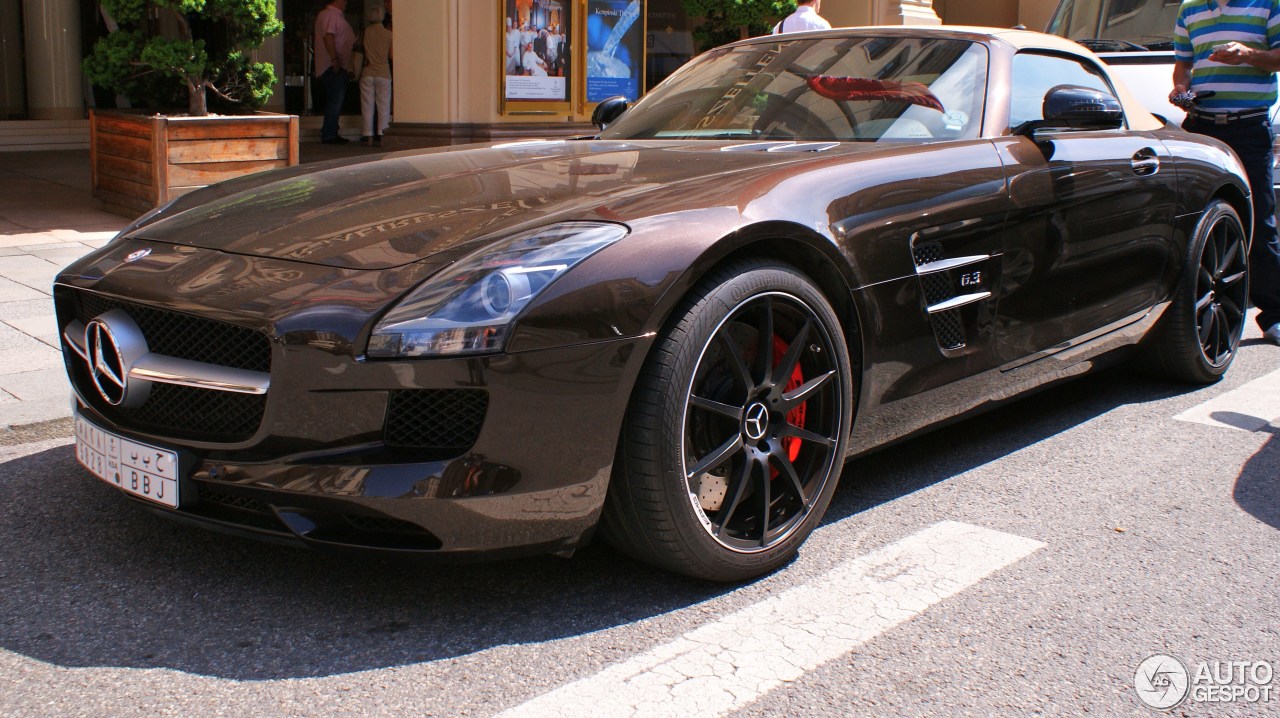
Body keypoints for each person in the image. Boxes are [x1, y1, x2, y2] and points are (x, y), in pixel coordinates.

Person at [1172, 0, 1280, 345]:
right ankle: (1190, 311)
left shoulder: (1268, 5)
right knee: (1193, 221)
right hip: (1200, 125)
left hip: (1249, 126)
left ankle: (1275, 315)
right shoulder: (1189, 9)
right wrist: (1180, 89)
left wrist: (1247, 53)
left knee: (1260, 222)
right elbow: (1182, 66)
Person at [314, 0, 356, 144]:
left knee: (335, 99)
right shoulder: (330, 15)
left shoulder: (333, 15)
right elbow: (329, 36)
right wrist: (334, 59)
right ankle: (329, 133)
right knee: (335, 99)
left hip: (337, 65)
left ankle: (331, 130)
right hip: (332, 66)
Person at [359, 7, 392, 147]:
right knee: (383, 106)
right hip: (383, 73)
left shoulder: (365, 32)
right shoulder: (388, 34)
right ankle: (382, 135)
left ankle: (368, 136)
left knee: (367, 106)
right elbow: (391, 56)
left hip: (367, 72)